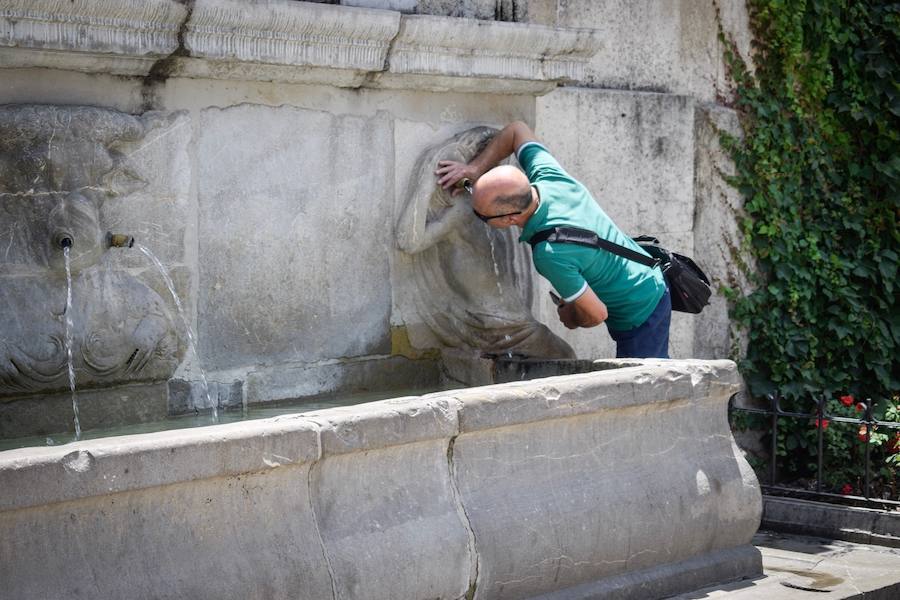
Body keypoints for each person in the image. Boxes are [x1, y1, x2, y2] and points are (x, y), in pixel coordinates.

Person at [435, 121, 671, 359]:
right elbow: (517, 129)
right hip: (644, 269)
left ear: (509, 219)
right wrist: (475, 170)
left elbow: (597, 314)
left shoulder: (550, 253)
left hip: (640, 308)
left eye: (481, 216)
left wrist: (571, 315)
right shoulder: (549, 177)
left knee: (643, 385)